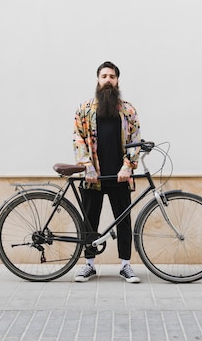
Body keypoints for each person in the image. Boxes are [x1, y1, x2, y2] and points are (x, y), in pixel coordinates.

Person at [73, 61, 142, 283]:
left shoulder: (128, 110)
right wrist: (87, 165)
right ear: (97, 80)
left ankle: (125, 265)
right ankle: (89, 265)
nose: (108, 80)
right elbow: (78, 138)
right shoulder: (84, 110)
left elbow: (135, 139)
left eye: (112, 76)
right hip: (93, 177)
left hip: (119, 175)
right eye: (104, 76)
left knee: (124, 221)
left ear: (117, 80)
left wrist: (128, 166)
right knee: (89, 220)